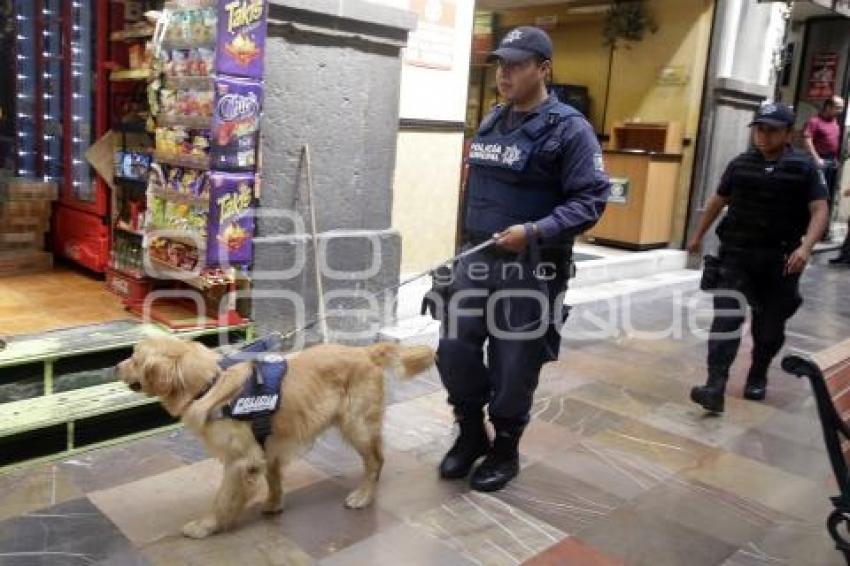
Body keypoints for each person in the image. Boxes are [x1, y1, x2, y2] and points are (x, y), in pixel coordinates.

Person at [434, 26, 610, 492]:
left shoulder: (570, 129)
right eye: (500, 64)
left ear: (544, 69)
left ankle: (505, 449)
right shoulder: (493, 120)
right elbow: (475, 194)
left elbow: (592, 200)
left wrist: (534, 231)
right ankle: (471, 434)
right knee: (454, 349)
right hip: (478, 258)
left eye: (515, 64)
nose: (504, 73)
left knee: (514, 363)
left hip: (532, 267)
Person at [688, 103, 829, 413]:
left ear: (788, 133)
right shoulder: (740, 164)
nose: (763, 135)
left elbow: (819, 209)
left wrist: (805, 248)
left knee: (769, 327)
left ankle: (758, 371)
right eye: (759, 129)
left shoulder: (803, 167)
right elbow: (718, 200)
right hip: (736, 255)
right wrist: (698, 236)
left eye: (771, 130)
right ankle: (715, 385)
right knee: (726, 320)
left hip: (779, 260)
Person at [802, 96, 844, 243]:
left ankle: (821, 231)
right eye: (838, 107)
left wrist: (836, 160)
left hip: (832, 162)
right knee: (816, 197)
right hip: (820, 162)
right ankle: (807, 230)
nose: (841, 110)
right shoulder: (815, 121)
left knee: (827, 198)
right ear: (828, 107)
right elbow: (807, 139)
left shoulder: (836, 123)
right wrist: (816, 159)